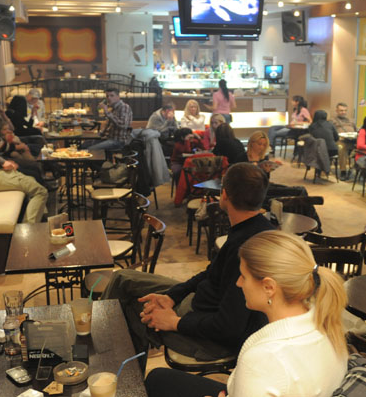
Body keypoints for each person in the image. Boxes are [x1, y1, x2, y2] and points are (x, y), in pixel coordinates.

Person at [101, 163, 274, 368]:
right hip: (200, 304)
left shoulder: (248, 247)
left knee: (131, 309)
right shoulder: (254, 227)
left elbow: (229, 327)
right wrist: (172, 295)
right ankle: (96, 338)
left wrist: (174, 322)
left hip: (212, 339)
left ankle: (113, 371)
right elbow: (211, 273)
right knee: (123, 277)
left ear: (224, 194)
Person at [144, 231, 348, 396]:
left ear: (269, 287)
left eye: (244, 276)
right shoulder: (326, 322)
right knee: (159, 378)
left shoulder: (264, 358)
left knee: (157, 381)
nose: (238, 283)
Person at [330, 103, 357, 179]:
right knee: (341, 148)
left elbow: (356, 130)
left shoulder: (351, 120)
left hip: (352, 140)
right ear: (337, 111)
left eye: (345, 110)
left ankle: (353, 167)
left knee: (362, 148)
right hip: (341, 141)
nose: (343, 112)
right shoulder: (332, 121)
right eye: (341, 110)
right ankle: (343, 171)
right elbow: (330, 132)